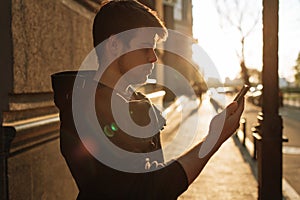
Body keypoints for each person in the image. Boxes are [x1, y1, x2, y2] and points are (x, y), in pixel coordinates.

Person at [51, 0, 245, 199]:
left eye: (154, 49)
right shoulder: (83, 108)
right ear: (115, 45)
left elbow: (155, 175)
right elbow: (144, 191)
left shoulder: (138, 102)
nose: (153, 57)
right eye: (145, 48)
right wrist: (214, 138)